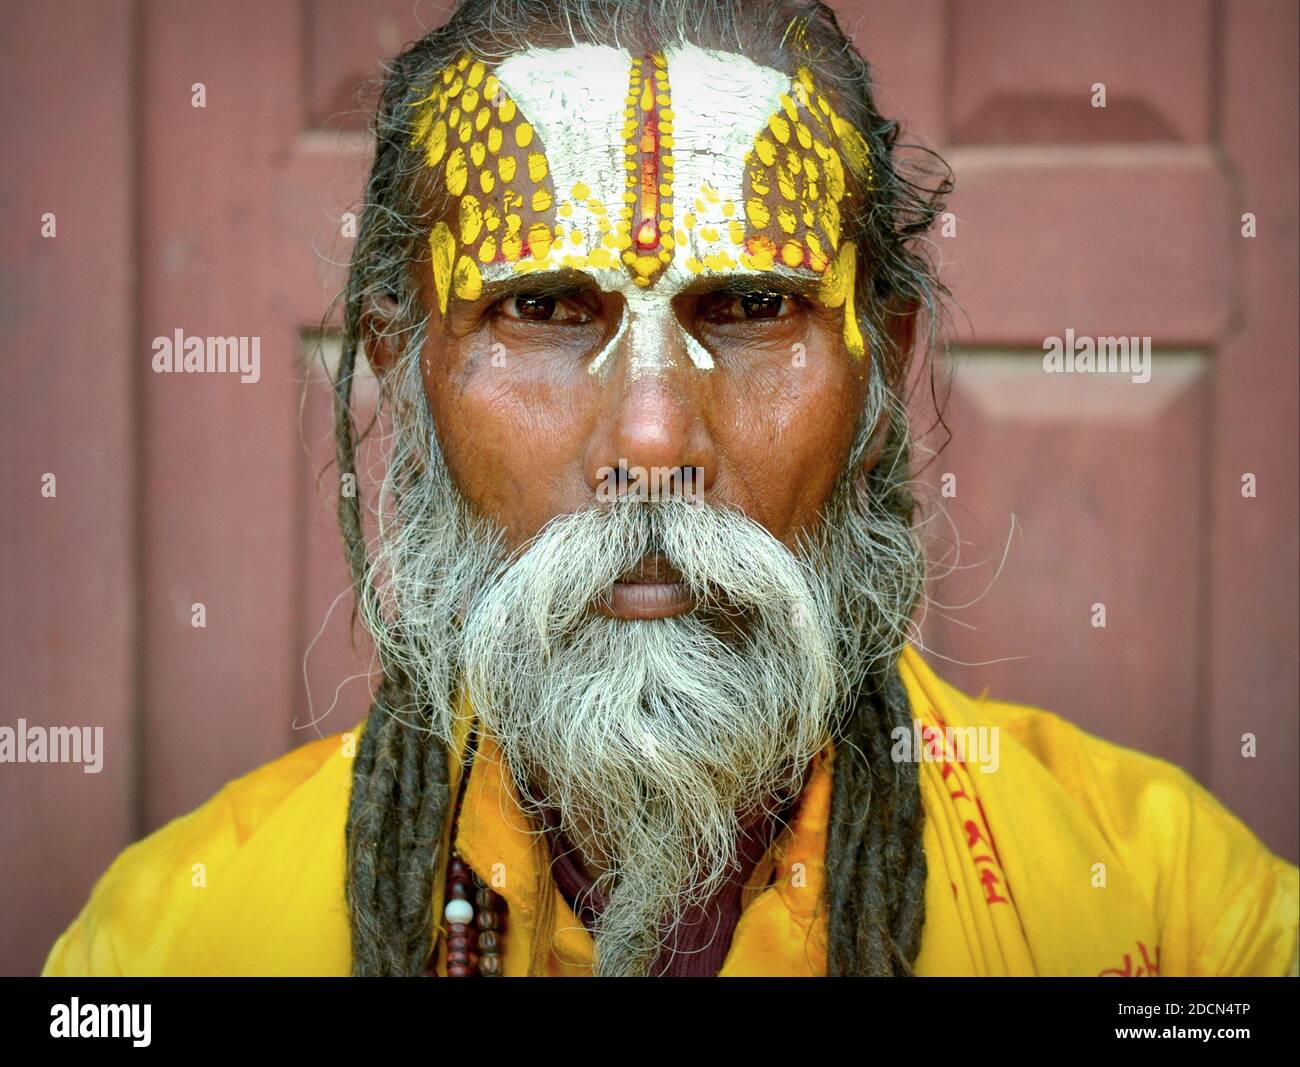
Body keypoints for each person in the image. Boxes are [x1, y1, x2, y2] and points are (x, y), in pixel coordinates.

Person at [44, 0, 1298, 977]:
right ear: (401, 364)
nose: (651, 442)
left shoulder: (1170, 912)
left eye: (750, 308)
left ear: (884, 372)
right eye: (540, 307)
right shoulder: (171, 944)